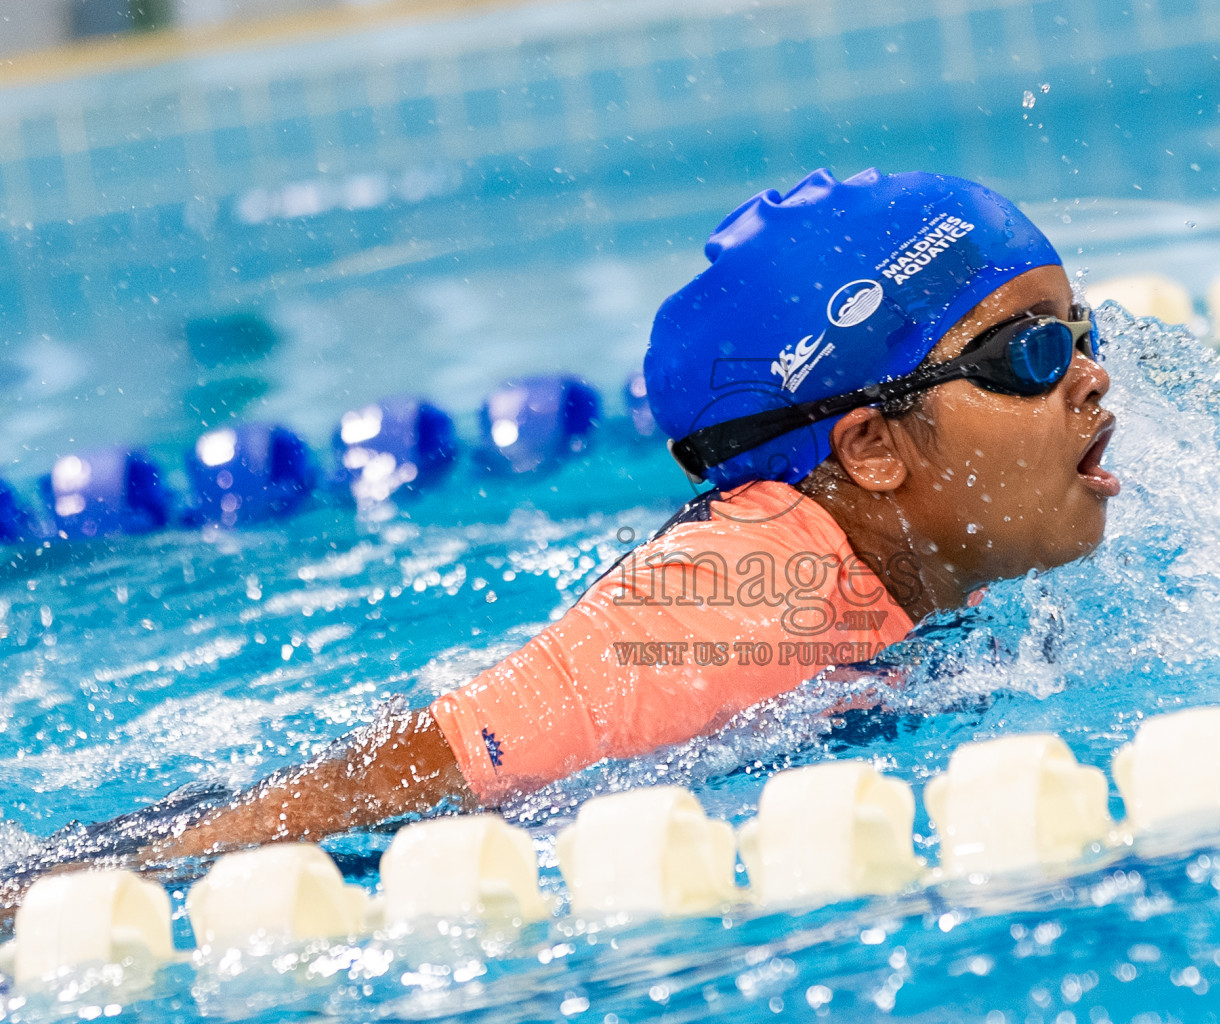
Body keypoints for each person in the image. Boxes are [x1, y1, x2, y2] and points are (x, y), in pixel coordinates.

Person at [138, 167, 1119, 861]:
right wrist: (132, 875)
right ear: (869, 448)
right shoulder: (739, 602)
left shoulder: (910, 556)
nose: (1091, 375)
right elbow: (421, 766)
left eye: (1082, 330)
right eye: (1028, 355)